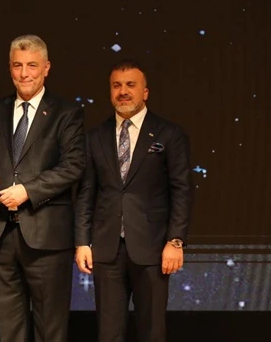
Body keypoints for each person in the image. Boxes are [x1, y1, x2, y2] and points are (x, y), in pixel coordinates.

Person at [0, 34, 85, 341]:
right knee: (9, 329)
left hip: (46, 236)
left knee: (50, 329)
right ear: (9, 67)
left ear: (46, 68)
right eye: (17, 65)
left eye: (32, 65)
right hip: (0, 233)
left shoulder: (66, 112)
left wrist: (27, 191)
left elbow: (73, 166)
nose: (24, 74)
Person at [74, 59, 193, 342]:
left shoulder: (169, 134)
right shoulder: (95, 137)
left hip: (153, 250)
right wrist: (82, 242)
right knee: (108, 333)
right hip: (107, 250)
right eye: (117, 86)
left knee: (152, 332)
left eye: (130, 85)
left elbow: (182, 190)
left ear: (145, 92)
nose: (123, 91)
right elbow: (86, 193)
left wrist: (175, 240)